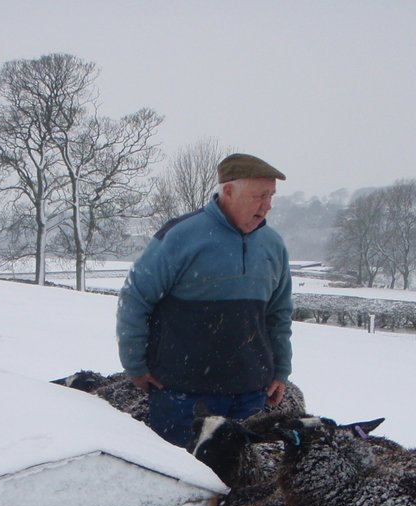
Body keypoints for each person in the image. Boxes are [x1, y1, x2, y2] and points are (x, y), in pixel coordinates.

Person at [116, 152, 293, 447]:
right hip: (182, 395)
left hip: (251, 392)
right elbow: (135, 298)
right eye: (259, 196)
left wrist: (281, 369)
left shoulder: (273, 245)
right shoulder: (180, 236)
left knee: (245, 486)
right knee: (179, 483)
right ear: (228, 190)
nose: (267, 206)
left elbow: (279, 312)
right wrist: (134, 364)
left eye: (271, 196)